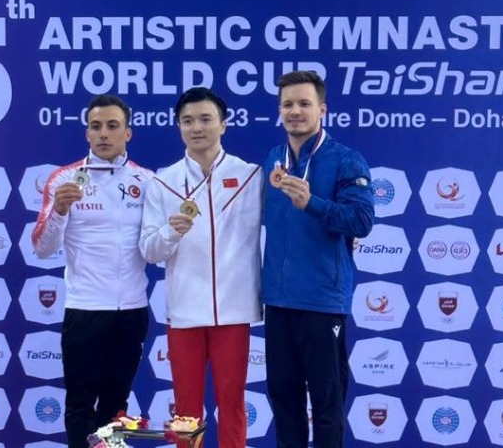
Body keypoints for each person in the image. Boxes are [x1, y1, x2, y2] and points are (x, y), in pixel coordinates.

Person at [139, 87, 263, 448]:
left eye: (206, 119)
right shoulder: (163, 181)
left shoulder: (251, 176)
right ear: (178, 126)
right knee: (187, 411)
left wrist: (338, 238)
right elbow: (149, 250)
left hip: (234, 311)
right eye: (188, 121)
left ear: (223, 124)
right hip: (184, 313)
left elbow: (288, 223)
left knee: (232, 404)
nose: (197, 128)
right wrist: (170, 233)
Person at [261, 70, 375, 447]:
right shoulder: (274, 159)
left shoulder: (345, 160)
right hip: (278, 303)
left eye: (304, 104)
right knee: (284, 405)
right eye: (287, 104)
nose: (295, 111)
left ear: (322, 110)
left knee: (326, 408)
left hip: (322, 303)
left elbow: (362, 221)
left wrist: (312, 203)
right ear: (279, 111)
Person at [32, 94, 153, 448]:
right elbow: (42, 247)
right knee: (80, 405)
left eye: (112, 126)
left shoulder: (147, 181)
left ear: (127, 133)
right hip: (85, 309)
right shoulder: (64, 179)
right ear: (86, 133)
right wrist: (59, 211)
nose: (103, 134)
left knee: (116, 408)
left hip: (131, 311)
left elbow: (155, 246)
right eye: (96, 126)